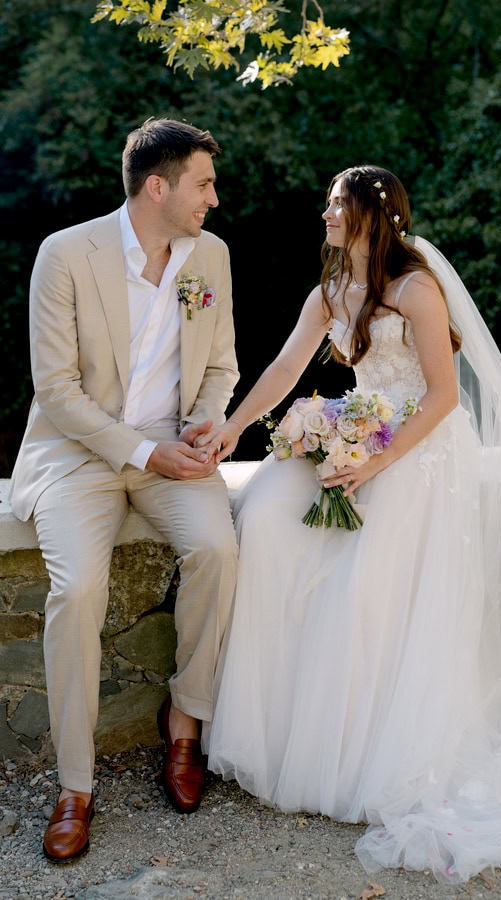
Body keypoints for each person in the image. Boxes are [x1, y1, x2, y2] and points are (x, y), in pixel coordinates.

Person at [201, 165, 501, 885]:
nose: (324, 215)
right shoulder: (330, 291)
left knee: (362, 591)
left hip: (414, 451)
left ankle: (362, 754)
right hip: (356, 436)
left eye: (335, 206)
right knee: (261, 515)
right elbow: (286, 368)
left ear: (368, 216)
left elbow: (444, 398)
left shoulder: (416, 288)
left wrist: (372, 464)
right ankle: (283, 732)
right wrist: (232, 431)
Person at [8, 117, 240, 862]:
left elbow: (220, 367)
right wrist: (145, 451)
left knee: (216, 547)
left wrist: (203, 428)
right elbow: (57, 389)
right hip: (80, 456)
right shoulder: (65, 254)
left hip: (173, 450)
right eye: (203, 182)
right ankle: (75, 786)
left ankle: (187, 722)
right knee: (76, 592)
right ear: (157, 186)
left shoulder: (212, 256)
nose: (213, 196)